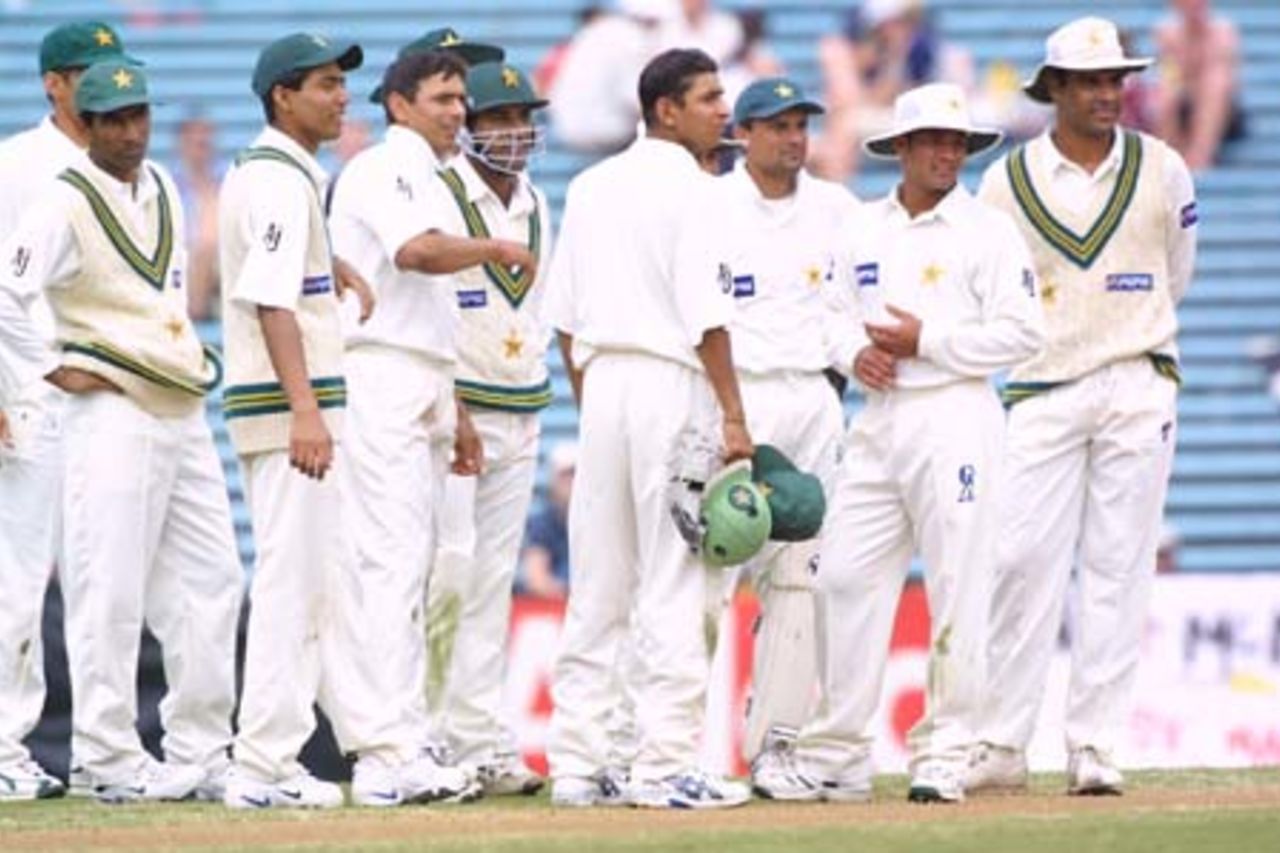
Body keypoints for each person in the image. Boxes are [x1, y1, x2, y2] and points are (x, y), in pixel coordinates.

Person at [0, 60, 243, 803]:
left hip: (178, 398)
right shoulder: (61, 199)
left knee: (214, 579)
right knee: (108, 584)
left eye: (139, 115)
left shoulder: (163, 185)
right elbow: (9, 291)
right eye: (115, 119)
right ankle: (106, 753)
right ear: (90, 123)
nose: (131, 131)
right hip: (106, 407)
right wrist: (47, 368)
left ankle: (202, 747)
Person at [795, 82, 1045, 804]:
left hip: (956, 416)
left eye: (957, 142)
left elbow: (1023, 332)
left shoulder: (989, 232)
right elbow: (830, 315)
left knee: (958, 582)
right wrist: (853, 355)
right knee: (841, 574)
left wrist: (925, 341)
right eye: (933, 140)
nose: (947, 153)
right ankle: (839, 750)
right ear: (899, 147)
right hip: (878, 420)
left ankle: (944, 749)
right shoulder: (862, 229)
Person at [967, 17, 1198, 797]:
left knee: (1117, 566)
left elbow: (1177, 272)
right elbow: (996, 290)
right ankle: (1001, 741)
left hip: (1136, 378)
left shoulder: (1162, 168)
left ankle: (1094, 744)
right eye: (1091, 81)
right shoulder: (1004, 181)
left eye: (1115, 80)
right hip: (1041, 386)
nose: (1108, 94)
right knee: (1018, 563)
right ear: (1054, 89)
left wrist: (1131, 338)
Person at [542, 47, 754, 810]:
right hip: (673, 384)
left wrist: (593, 394)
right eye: (708, 98)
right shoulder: (704, 193)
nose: (723, 111)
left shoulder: (591, 185)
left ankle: (576, 762)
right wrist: (733, 415)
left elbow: (562, 320)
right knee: (675, 579)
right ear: (666, 109)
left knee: (599, 579)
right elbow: (708, 316)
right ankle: (662, 765)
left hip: (603, 388)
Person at [330, 49, 532, 807]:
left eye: (460, 99)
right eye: (442, 98)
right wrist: (498, 247)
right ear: (398, 104)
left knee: (412, 565)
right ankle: (385, 754)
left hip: (422, 373)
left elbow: (434, 310)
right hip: (377, 368)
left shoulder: (432, 173)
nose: (457, 110)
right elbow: (416, 255)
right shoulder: (389, 167)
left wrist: (457, 410)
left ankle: (406, 739)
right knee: (388, 562)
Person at [218, 31, 393, 810]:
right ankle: (260, 766)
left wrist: (335, 265)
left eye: (341, 83)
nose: (341, 96)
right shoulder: (281, 178)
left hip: (294, 405)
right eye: (325, 83)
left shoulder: (284, 173)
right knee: (293, 587)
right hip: (291, 410)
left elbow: (284, 270)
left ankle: (362, 747)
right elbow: (269, 295)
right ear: (283, 96)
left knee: (320, 585)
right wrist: (305, 411)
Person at [704, 77, 856, 800]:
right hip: (734, 399)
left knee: (801, 579)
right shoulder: (709, 207)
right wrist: (724, 413)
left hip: (812, 397)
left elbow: (854, 309)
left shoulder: (836, 209)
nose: (794, 138)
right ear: (744, 132)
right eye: (778, 125)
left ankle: (775, 747)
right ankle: (676, 746)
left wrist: (845, 372)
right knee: (708, 577)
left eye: (801, 125)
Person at [0, 19, 140, 802]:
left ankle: (105, 752)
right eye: (85, 71)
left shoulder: (122, 165)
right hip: (30, 390)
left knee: (100, 578)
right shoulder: (17, 164)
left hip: (109, 398)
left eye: (113, 70)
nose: (101, 84)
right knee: (17, 577)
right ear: (53, 82)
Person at [422, 61, 553, 798]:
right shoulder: (442, 194)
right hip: (458, 409)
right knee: (448, 573)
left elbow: (532, 310)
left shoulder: (535, 202)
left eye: (523, 118)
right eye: (498, 119)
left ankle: (479, 738)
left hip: (521, 403)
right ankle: (431, 737)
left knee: (491, 581)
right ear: (469, 126)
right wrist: (449, 401)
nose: (514, 133)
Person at [811, 0, 974, 181]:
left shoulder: (926, 47)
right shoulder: (842, 47)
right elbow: (848, 99)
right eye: (894, 23)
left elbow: (945, 91)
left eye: (904, 22)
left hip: (900, 117)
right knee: (842, 129)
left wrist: (898, 58)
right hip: (865, 119)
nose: (897, 29)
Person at [547, 0, 671, 155]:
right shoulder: (633, 39)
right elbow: (637, 100)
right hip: (603, 131)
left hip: (569, 127)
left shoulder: (602, 29)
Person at [1153, 0, 1244, 171]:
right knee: (1167, 91)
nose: (1193, 7)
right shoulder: (1168, 33)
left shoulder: (1223, 32)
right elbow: (1170, 73)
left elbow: (1229, 82)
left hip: (1224, 114)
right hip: (1184, 102)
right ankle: (1171, 158)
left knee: (1216, 83)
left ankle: (1200, 158)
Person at [171, 113, 222, 320]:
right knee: (202, 252)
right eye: (195, 143)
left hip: (221, 262)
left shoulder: (225, 186)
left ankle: (195, 316)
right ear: (182, 146)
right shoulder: (170, 189)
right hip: (185, 262)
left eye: (204, 143)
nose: (200, 149)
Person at [517, 442, 577, 600]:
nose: (572, 482)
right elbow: (536, 580)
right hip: (553, 608)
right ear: (554, 480)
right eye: (566, 475)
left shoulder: (601, 526)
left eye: (575, 474)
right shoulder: (541, 524)